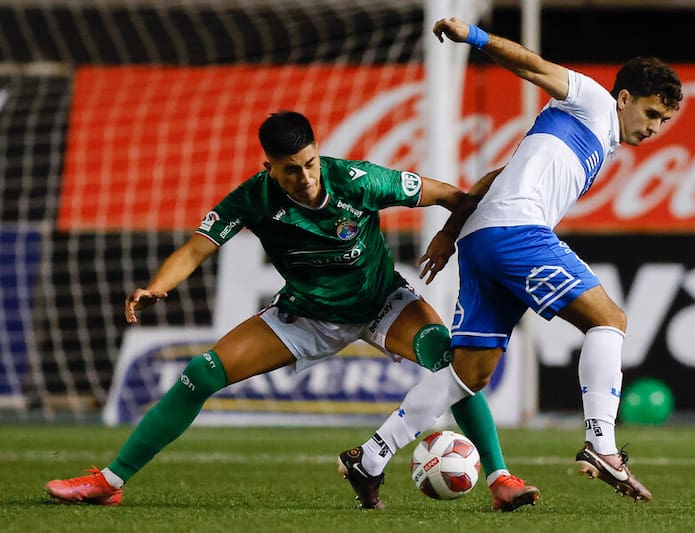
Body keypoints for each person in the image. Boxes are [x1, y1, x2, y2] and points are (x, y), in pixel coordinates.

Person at [43, 111, 538, 511]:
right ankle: (110, 481)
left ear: (318, 154)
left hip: (382, 302)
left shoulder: (358, 180)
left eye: (310, 163)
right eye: (290, 170)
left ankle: (499, 479)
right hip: (306, 315)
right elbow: (197, 248)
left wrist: (450, 236)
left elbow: (454, 196)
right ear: (269, 168)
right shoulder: (252, 200)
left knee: (451, 364)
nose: (304, 178)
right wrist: (156, 287)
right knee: (201, 373)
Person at [337, 18, 683, 505]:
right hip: (516, 231)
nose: (654, 129)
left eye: (664, 122)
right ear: (624, 97)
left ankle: (370, 457)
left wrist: (451, 231)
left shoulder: (597, 141)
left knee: (466, 376)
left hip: (483, 238)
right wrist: (474, 37)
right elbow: (533, 66)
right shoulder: (594, 101)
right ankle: (601, 444)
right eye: (651, 113)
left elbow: (497, 175)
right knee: (609, 320)